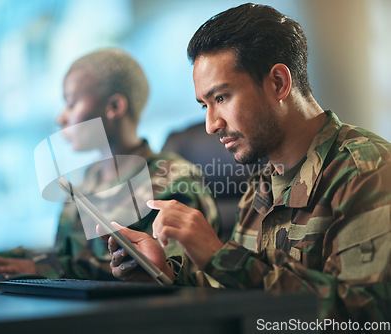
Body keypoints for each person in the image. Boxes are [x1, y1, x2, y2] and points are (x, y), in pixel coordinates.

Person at [104, 3, 391, 322]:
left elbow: (364, 313)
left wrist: (217, 255)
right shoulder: (262, 184)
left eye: (221, 98)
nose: (211, 125)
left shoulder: (367, 169)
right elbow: (240, 288)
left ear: (280, 83)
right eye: (204, 106)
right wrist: (163, 273)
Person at [0, 48, 219, 281]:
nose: (61, 117)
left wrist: (46, 268)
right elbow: (65, 257)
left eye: (71, 103)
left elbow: (169, 274)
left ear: (114, 107)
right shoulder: (87, 180)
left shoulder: (173, 178)